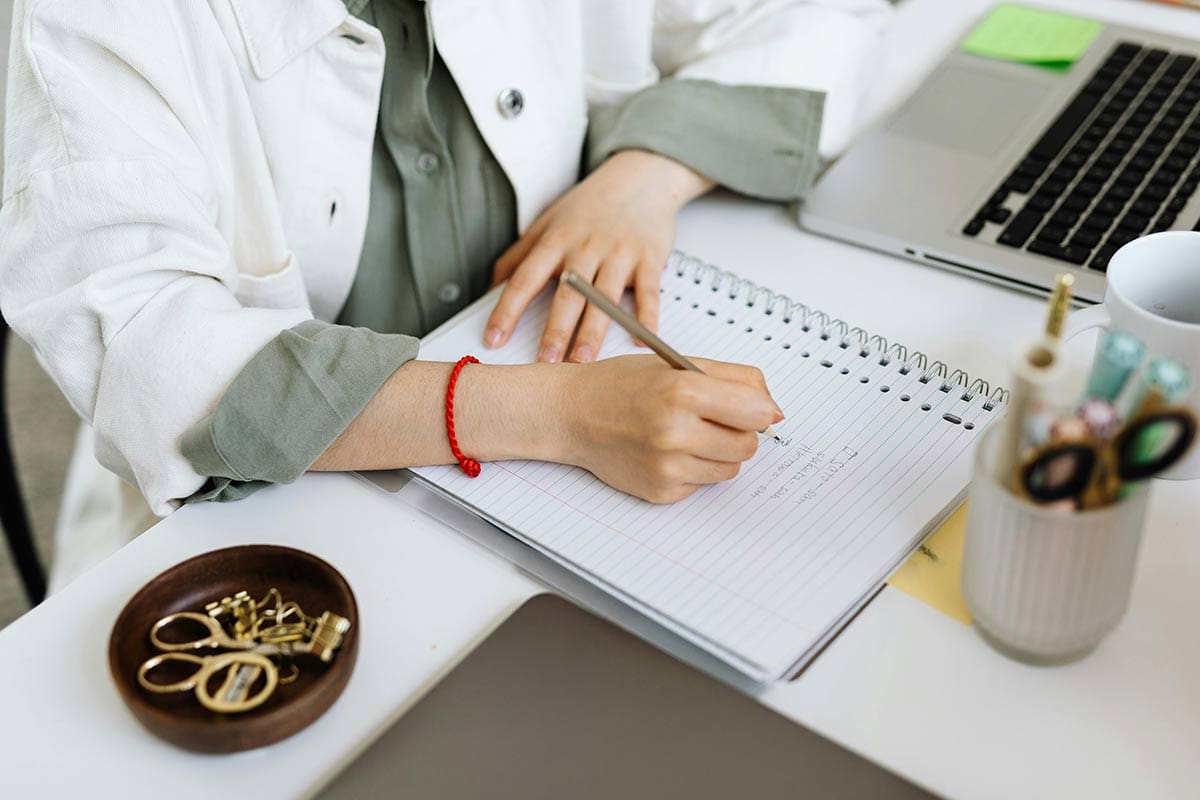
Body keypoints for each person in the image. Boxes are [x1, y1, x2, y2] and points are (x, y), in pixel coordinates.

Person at [0, 0, 890, 589]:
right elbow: (153, 353)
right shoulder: (91, 19)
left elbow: (803, 13)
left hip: (564, 460)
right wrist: (560, 415)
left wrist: (645, 175)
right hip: (280, 522)